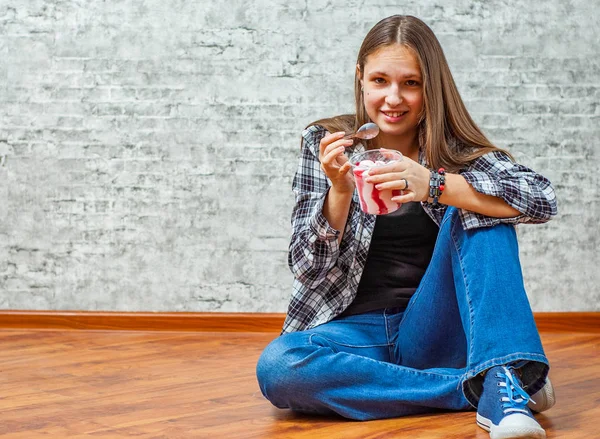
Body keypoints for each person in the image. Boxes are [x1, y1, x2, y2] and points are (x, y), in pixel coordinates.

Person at [256, 15, 557, 439]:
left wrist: (434, 185)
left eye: (410, 83)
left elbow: (540, 198)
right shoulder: (325, 144)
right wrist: (338, 191)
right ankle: (498, 383)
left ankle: (500, 381)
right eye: (380, 80)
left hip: (433, 328)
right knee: (280, 367)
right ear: (360, 78)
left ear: (429, 86)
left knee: (483, 206)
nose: (393, 98)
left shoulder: (454, 153)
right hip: (356, 332)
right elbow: (306, 268)